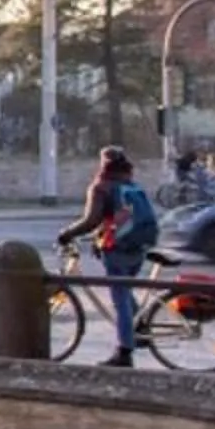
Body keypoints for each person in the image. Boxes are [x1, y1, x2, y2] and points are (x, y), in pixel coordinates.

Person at [57, 145, 160, 367]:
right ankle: (138, 327)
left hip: (118, 249)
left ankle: (124, 351)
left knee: (120, 299)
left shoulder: (101, 187)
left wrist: (67, 234)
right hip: (138, 246)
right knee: (125, 289)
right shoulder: (130, 184)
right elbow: (115, 219)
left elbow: (91, 220)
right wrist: (98, 236)